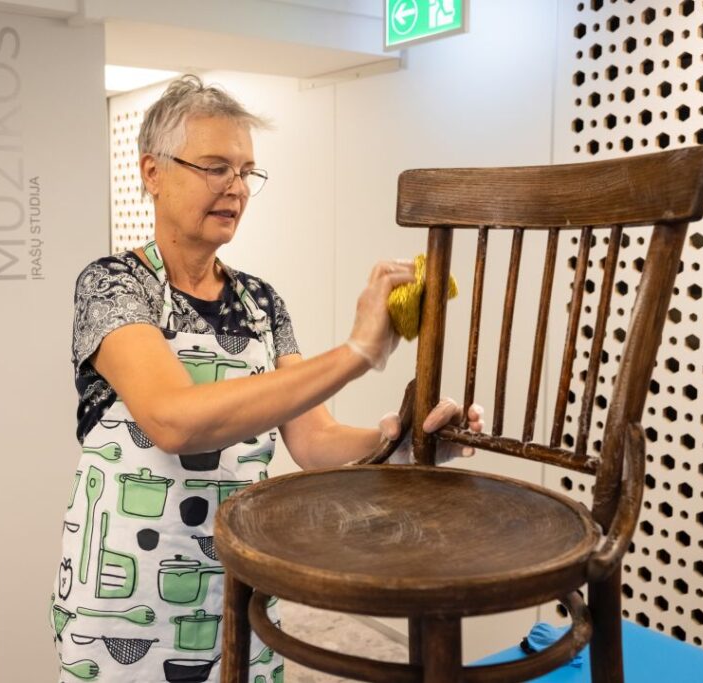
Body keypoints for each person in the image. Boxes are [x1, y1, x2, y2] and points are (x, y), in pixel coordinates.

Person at [51, 75, 484, 682]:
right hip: (128, 601)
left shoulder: (260, 302)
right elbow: (174, 420)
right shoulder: (113, 285)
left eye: (246, 171)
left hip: (240, 587)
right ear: (152, 172)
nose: (235, 188)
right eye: (215, 167)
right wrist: (358, 351)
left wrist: (402, 440)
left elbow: (313, 440)